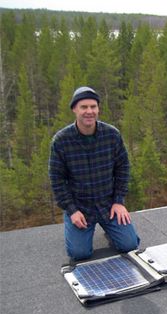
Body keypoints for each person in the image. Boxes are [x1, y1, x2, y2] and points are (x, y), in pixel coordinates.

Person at [49, 86, 140, 261]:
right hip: (80, 207)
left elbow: (123, 168)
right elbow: (57, 180)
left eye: (93, 107)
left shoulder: (112, 135)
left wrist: (119, 201)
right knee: (79, 253)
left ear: (98, 109)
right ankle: (73, 225)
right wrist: (72, 210)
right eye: (84, 107)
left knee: (130, 245)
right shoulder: (61, 141)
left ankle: (111, 231)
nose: (89, 111)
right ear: (74, 109)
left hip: (108, 204)